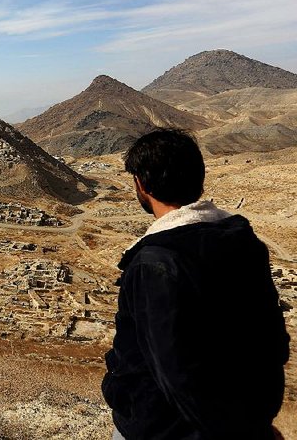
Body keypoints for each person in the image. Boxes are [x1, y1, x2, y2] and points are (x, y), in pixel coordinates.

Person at [102, 128, 290, 439]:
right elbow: (271, 341)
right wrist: (257, 423)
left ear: (141, 184)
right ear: (199, 179)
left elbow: (178, 375)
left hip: (164, 428)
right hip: (247, 416)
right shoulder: (242, 241)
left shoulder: (156, 263)